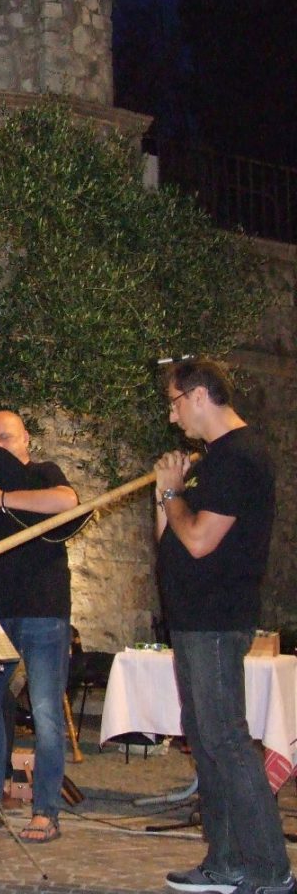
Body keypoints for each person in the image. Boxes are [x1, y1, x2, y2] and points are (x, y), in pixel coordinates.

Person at [155, 359, 292, 894]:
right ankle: (226, 860)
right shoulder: (213, 462)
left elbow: (199, 540)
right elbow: (168, 540)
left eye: (173, 402)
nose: (171, 416)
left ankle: (270, 868)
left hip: (217, 618)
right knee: (205, 739)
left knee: (228, 740)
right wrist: (165, 493)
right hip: (192, 619)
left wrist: (172, 493)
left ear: (197, 395)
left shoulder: (240, 458)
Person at [0, 410, 78, 841]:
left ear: (26, 440)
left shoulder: (42, 474)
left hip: (43, 611)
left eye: (5, 437)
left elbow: (68, 502)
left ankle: (46, 811)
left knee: (44, 712)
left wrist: (2, 497)